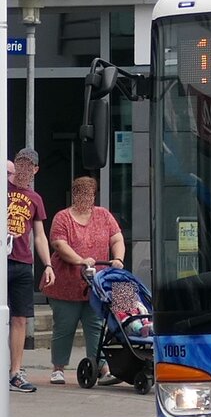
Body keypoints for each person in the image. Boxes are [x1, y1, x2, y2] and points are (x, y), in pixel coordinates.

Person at [45, 176, 125, 386]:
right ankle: (58, 368)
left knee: (96, 326)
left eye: (89, 194)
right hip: (66, 285)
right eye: (81, 193)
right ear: (74, 194)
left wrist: (117, 258)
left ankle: (101, 367)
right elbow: (59, 245)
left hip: (96, 286)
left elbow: (116, 238)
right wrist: (81, 260)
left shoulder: (103, 216)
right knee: (64, 326)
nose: (86, 198)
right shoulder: (63, 218)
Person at [8, 147, 54, 393]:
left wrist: (47, 265)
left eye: (30, 166)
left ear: (36, 170)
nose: (25, 170)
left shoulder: (35, 199)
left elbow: (39, 236)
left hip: (23, 262)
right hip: (2, 261)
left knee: (20, 318)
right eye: (21, 164)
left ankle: (15, 372)